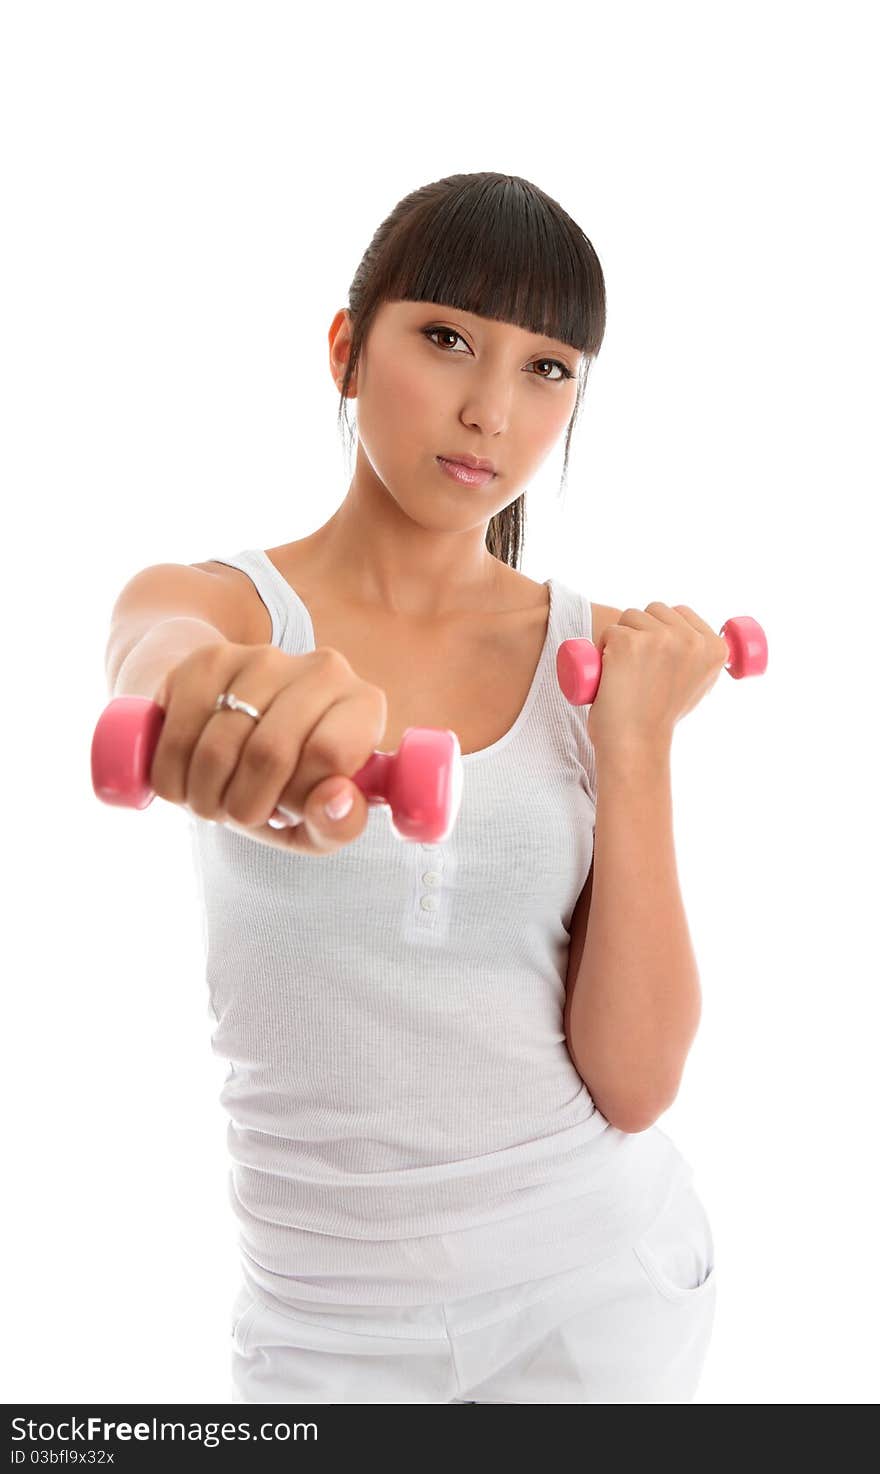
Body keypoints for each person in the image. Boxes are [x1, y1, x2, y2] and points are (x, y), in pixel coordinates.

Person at [106, 171, 719, 1404]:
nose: (491, 409)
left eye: (547, 369)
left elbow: (636, 1082)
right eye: (445, 339)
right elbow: (156, 655)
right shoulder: (222, 605)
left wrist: (636, 747)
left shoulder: (596, 662)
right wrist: (212, 701)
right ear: (347, 348)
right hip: (323, 1324)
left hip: (592, 1281)